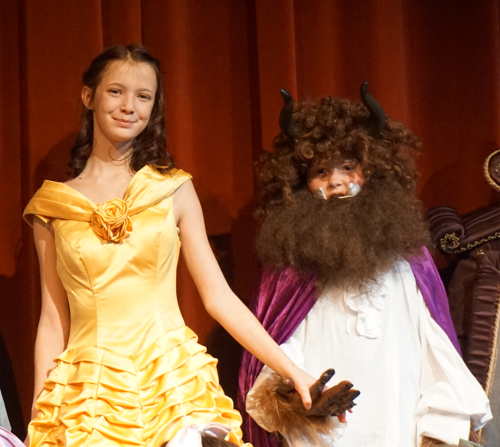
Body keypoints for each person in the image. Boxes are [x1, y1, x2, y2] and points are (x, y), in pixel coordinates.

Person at [22, 44, 318, 447]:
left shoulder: (172, 189)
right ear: (89, 96)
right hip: (90, 393)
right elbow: (53, 319)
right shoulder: (53, 206)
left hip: (171, 382)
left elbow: (219, 297)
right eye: (116, 92)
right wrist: (40, 417)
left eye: (143, 96)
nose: (129, 107)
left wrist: (291, 370)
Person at [238, 85, 492, 447]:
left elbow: (436, 352)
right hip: (324, 435)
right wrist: (299, 401)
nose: (336, 182)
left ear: (372, 171)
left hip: (399, 425)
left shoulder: (408, 260)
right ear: (300, 184)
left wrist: (438, 432)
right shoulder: (292, 268)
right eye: (321, 171)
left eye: (348, 167)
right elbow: (279, 352)